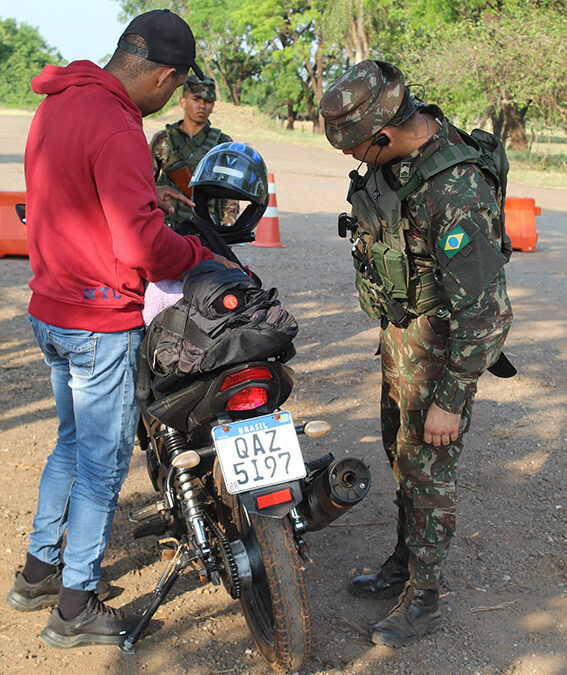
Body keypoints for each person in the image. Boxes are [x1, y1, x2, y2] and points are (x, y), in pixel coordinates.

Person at [5, 9, 233, 649]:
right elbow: (142, 248)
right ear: (165, 77)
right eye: (174, 89)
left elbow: (74, 195)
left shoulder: (60, 103)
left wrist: (150, 195)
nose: (170, 100)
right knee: (103, 464)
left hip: (51, 308)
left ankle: (38, 573)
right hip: (98, 321)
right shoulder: (116, 126)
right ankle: (74, 610)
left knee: (71, 445)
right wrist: (199, 257)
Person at [319, 60, 513, 647]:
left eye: (359, 150)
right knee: (403, 459)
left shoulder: (456, 192)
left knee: (429, 471)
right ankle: (404, 565)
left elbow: (487, 314)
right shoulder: (402, 157)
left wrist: (450, 401)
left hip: (441, 354)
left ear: (384, 134)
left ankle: (424, 598)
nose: (357, 162)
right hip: (404, 343)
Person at [150, 73, 239, 232]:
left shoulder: (222, 144)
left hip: (206, 231)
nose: (202, 106)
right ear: (183, 102)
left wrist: (227, 231)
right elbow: (145, 184)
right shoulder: (164, 140)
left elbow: (230, 196)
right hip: (167, 231)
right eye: (196, 99)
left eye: (208, 101)